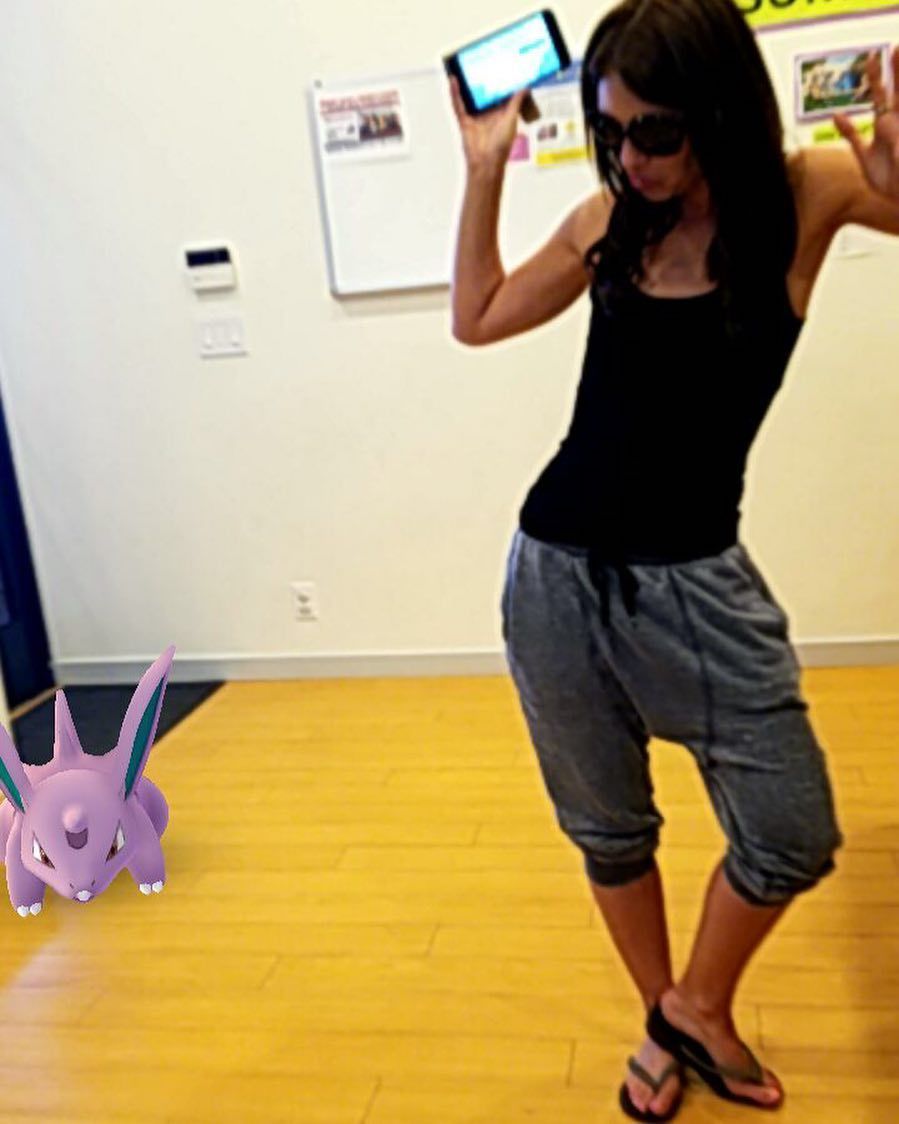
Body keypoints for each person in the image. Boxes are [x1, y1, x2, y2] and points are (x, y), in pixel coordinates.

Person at [448, 1, 899, 1120]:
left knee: (790, 830)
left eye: (655, 131)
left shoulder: (803, 196)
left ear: (718, 110)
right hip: (552, 576)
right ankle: (675, 1019)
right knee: (609, 829)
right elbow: (477, 315)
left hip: (696, 581)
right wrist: (485, 170)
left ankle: (688, 1008)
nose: (632, 158)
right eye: (610, 132)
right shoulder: (609, 219)